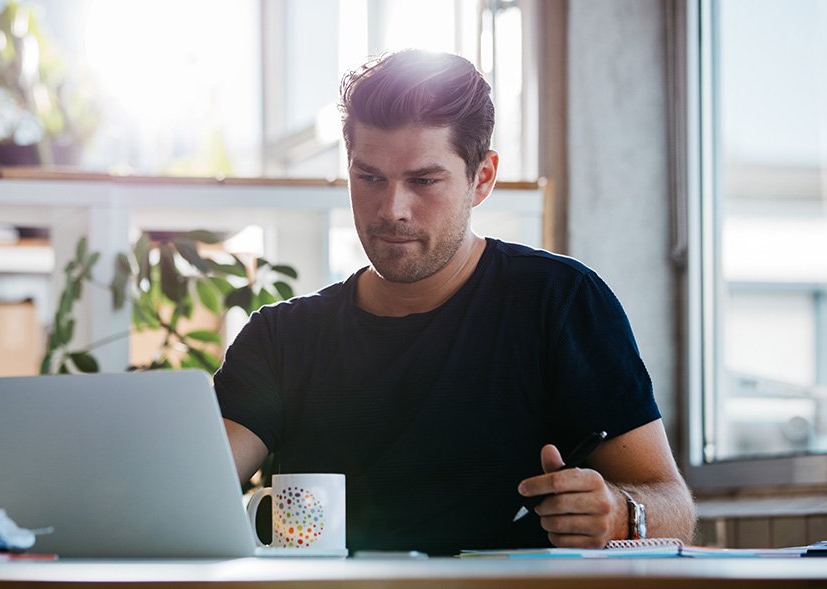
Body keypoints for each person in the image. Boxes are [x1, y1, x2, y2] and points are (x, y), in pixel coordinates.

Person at [213, 49, 696, 555]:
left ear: (481, 178)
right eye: (369, 177)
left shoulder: (560, 302)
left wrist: (622, 513)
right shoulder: (281, 338)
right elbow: (192, 492)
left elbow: (674, 508)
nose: (391, 209)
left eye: (423, 181)